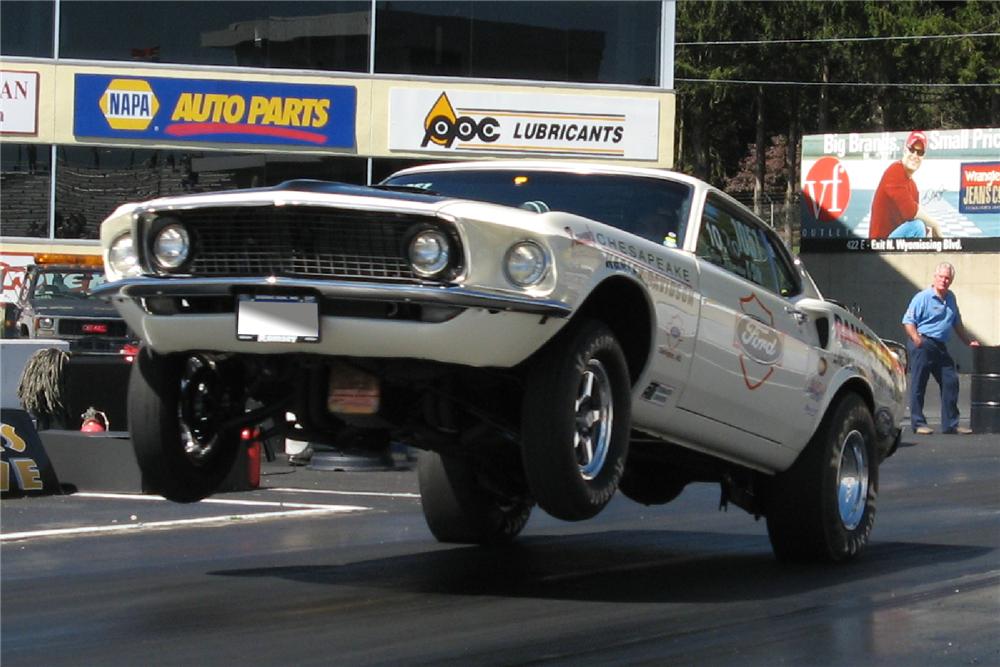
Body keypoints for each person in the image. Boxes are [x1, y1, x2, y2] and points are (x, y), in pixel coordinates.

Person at [902, 262, 980, 435]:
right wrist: (916, 339)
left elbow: (956, 323)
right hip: (922, 343)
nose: (944, 281)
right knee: (919, 383)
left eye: (947, 278)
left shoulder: (951, 298)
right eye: (941, 277)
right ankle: (918, 423)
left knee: (950, 380)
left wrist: (968, 341)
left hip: (940, 346)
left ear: (951, 280)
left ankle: (951, 424)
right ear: (935, 277)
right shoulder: (923, 297)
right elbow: (908, 321)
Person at [869, 130, 943, 239]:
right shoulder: (895, 170)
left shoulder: (913, 187)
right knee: (917, 226)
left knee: (921, 227)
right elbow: (910, 211)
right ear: (904, 150)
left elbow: (913, 218)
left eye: (920, 152)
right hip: (879, 245)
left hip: (896, 244)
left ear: (923, 156)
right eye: (912, 150)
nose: (915, 155)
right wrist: (936, 225)